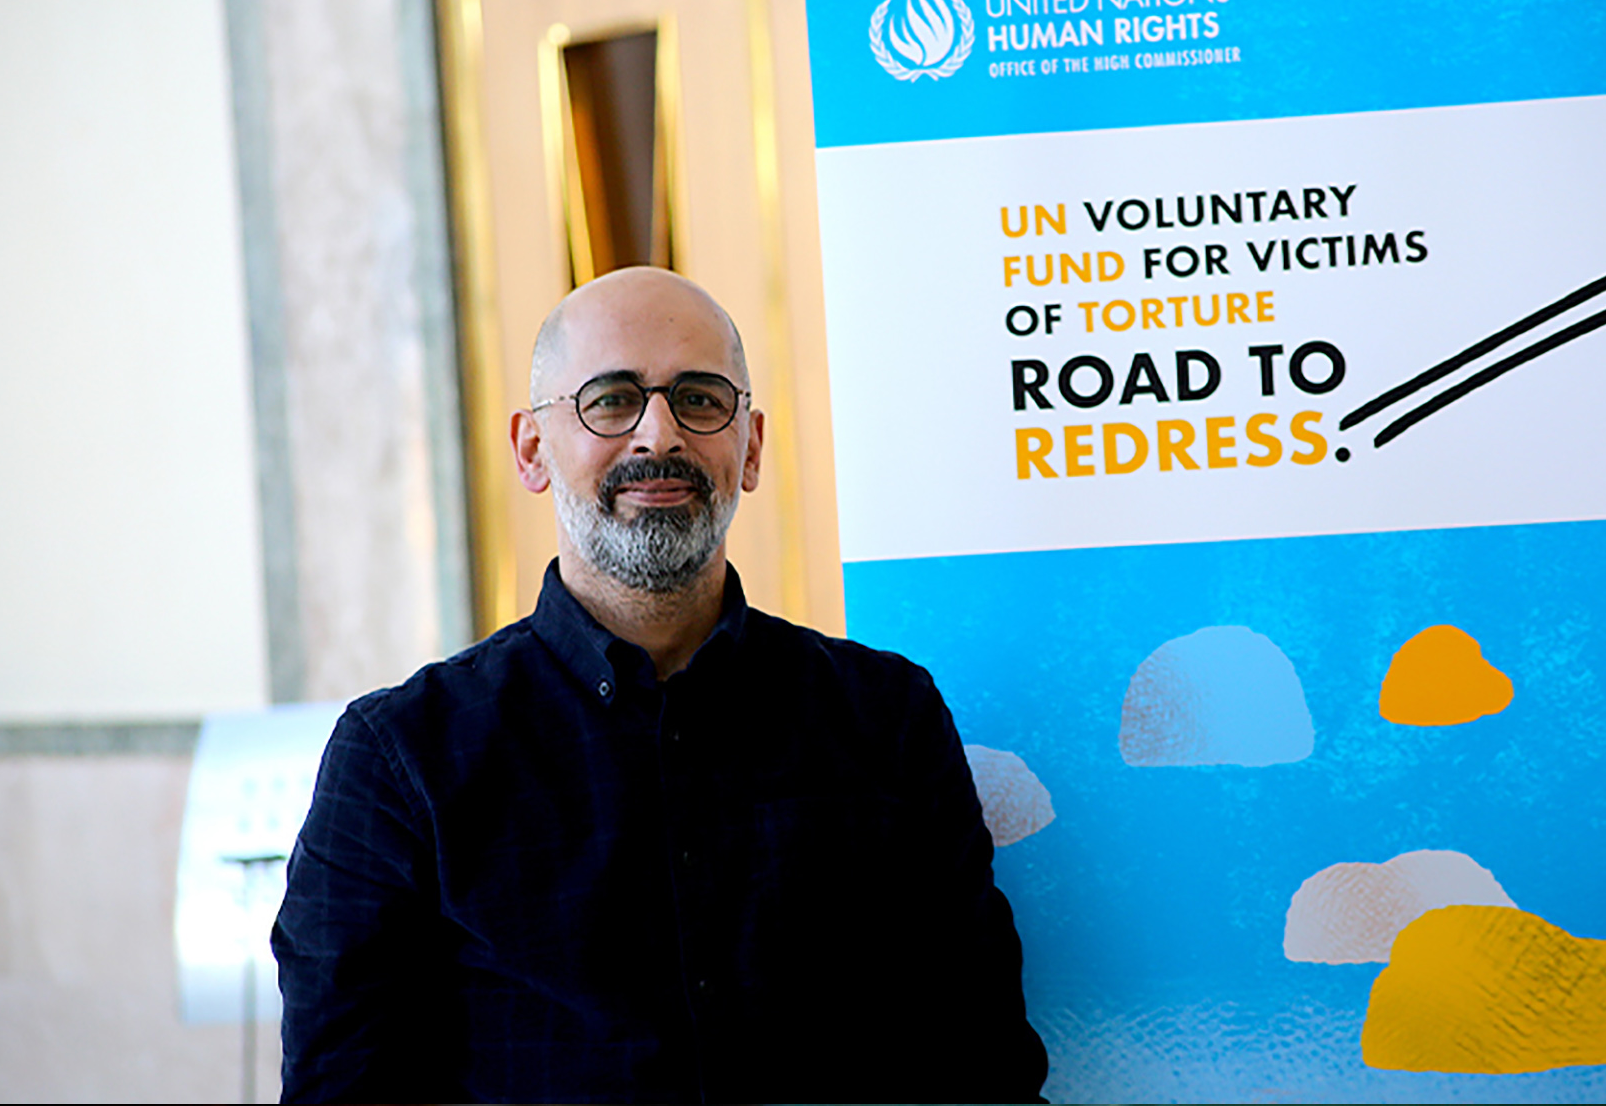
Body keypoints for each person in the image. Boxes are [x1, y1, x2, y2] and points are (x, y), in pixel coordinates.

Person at [273, 268, 1047, 1104]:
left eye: (700, 399)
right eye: (610, 399)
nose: (658, 436)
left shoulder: (886, 721)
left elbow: (983, 1068)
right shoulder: (401, 760)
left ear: (749, 448)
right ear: (532, 449)